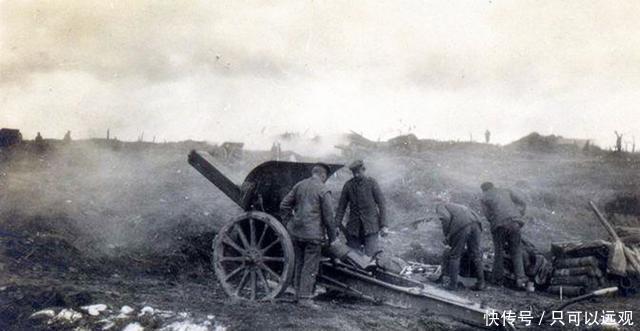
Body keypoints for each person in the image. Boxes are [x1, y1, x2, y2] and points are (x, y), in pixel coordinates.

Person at [280, 163, 337, 307]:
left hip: (296, 233)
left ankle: (297, 294)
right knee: (310, 266)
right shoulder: (323, 189)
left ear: (314, 173)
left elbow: (284, 205)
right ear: (323, 175)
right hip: (313, 235)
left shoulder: (299, 185)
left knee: (299, 262)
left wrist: (289, 223)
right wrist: (333, 238)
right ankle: (305, 298)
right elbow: (329, 218)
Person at [480, 182, 528, 289]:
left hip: (499, 225)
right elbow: (522, 202)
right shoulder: (506, 190)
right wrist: (520, 214)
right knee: (516, 251)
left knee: (499, 252)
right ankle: (521, 280)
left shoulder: (484, 197)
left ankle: (497, 280)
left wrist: (494, 221)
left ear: (484, 190)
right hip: (515, 223)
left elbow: (487, 215)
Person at [335, 160, 388, 257]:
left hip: (371, 227)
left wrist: (384, 225)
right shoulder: (348, 185)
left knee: (370, 257)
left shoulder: (372, 183)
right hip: (354, 228)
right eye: (354, 173)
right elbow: (341, 207)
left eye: (358, 172)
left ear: (363, 170)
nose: (356, 175)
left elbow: (382, 204)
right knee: (354, 258)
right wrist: (336, 225)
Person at [436, 201, 486, 291]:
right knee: (476, 254)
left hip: (463, 225)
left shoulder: (440, 206)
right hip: (476, 223)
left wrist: (447, 235)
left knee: (455, 255)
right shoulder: (457, 205)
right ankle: (481, 283)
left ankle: (452, 285)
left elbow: (446, 218)